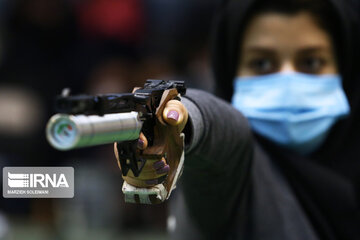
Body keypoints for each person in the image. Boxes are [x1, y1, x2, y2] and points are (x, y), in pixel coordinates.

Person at [114, 0, 360, 239]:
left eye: (311, 62)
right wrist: (177, 120)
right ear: (229, 70)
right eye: (261, 63)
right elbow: (217, 128)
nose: (288, 81)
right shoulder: (237, 171)